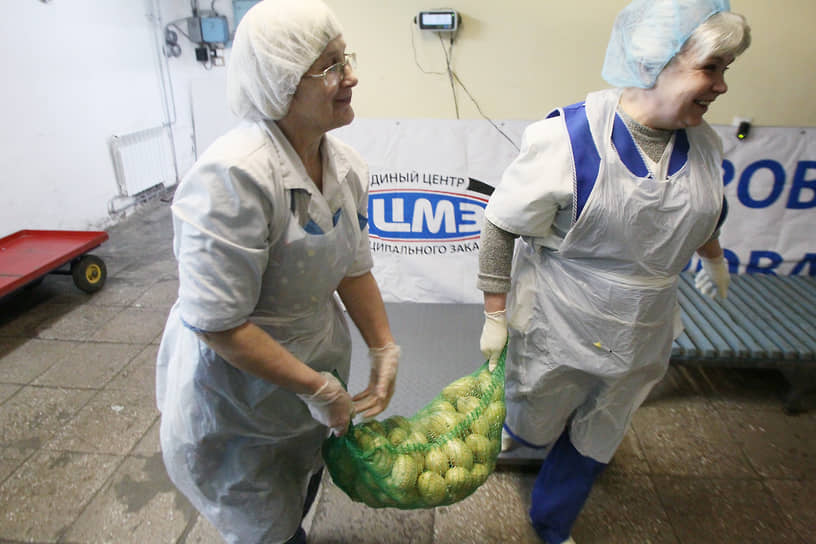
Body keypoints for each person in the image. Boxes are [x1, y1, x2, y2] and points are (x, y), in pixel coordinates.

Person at [477, 1, 750, 542]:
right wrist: (495, 312)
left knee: (602, 429)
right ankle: (520, 435)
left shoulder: (704, 145)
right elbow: (500, 224)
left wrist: (713, 257)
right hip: (561, 322)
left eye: (726, 69)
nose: (721, 86)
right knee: (533, 415)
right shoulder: (570, 139)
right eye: (711, 68)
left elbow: (705, 210)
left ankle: (553, 522)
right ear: (656, 63)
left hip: (643, 328)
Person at [155, 1, 401, 542]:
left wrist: (383, 346)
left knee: (302, 481)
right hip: (241, 396)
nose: (351, 76)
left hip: (314, 365)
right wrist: (315, 388)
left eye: (346, 59)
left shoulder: (346, 166)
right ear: (281, 82)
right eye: (331, 66)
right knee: (262, 518)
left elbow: (351, 268)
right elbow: (218, 323)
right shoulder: (232, 179)